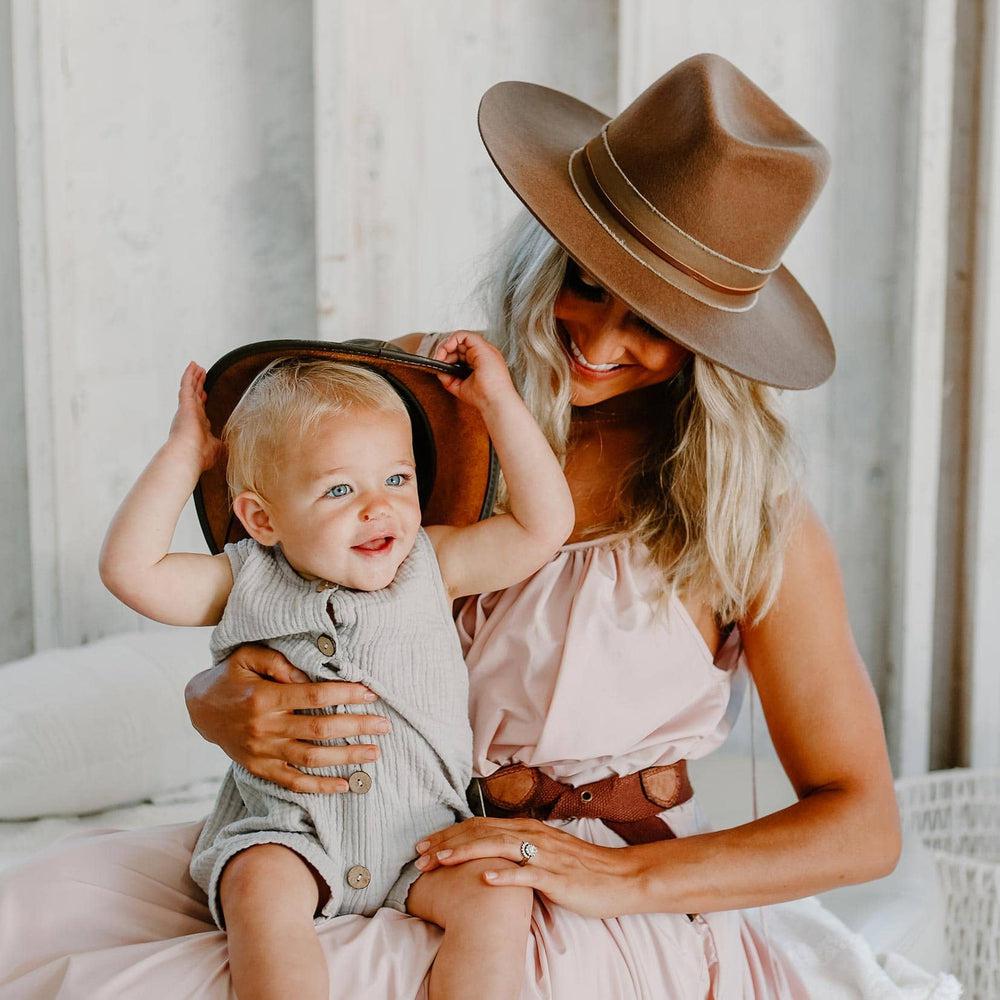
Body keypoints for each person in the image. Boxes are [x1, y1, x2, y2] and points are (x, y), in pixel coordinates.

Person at [0, 53, 962, 999]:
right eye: (587, 282)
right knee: (29, 914)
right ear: (552, 249)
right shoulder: (430, 399)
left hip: (557, 882)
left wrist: (617, 880)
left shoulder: (750, 517)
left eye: (656, 320)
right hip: (363, 828)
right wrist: (218, 697)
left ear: (720, 340)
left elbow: (861, 823)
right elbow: (275, 582)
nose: (599, 339)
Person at [96, 334, 573, 1000]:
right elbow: (129, 571)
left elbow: (544, 525)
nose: (378, 506)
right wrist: (186, 455)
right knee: (256, 889)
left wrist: (498, 403)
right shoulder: (242, 580)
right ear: (262, 519)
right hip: (292, 836)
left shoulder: (431, 566)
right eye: (339, 488)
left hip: (426, 836)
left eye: (397, 479)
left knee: (497, 896)